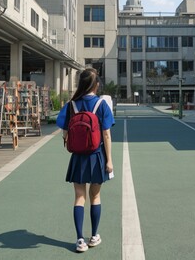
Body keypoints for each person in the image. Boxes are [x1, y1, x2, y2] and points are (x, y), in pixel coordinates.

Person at [64, 68, 115, 253]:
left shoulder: (72, 104)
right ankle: (94, 236)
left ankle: (79, 240)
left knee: (79, 197)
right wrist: (109, 161)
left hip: (78, 157)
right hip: (96, 155)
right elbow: (107, 134)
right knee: (95, 196)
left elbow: (64, 130)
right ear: (96, 84)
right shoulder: (101, 104)